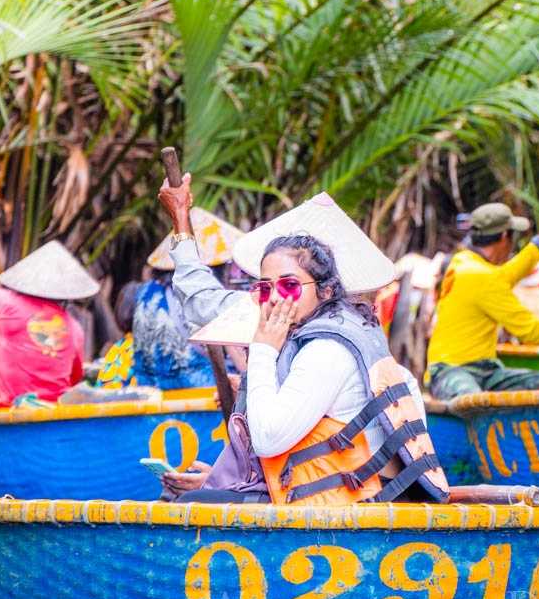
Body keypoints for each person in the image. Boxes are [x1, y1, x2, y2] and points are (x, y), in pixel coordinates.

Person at [157, 178, 447, 506]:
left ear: (325, 290)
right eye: (265, 287)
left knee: (189, 506)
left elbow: (268, 439)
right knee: (189, 494)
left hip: (358, 501)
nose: (277, 298)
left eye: (290, 285)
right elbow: (201, 300)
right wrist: (180, 217)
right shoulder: (281, 312)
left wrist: (264, 347)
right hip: (316, 485)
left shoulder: (329, 348)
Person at [425, 201, 539, 399]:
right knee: (472, 400)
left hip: (485, 370)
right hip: (450, 371)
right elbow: (528, 329)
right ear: (505, 237)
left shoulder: (464, 261)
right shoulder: (482, 277)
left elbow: (509, 273)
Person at [0, 216, 92, 408]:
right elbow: (75, 378)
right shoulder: (74, 328)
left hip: (7, 411)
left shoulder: (3, 305)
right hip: (52, 415)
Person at [91, 209, 244, 392]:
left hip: (151, 392)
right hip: (200, 394)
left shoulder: (145, 292)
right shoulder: (201, 297)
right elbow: (240, 362)